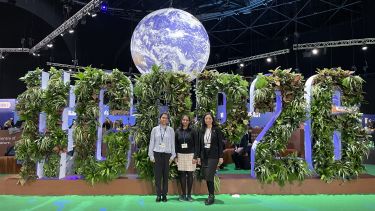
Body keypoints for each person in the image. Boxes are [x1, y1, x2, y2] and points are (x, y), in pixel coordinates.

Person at [197, 112, 224, 205]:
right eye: (206, 119)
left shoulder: (217, 130)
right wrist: (198, 157)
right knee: (206, 176)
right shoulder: (201, 130)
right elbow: (199, 145)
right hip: (204, 155)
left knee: (209, 175)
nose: (208, 120)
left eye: (209, 118)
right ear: (204, 120)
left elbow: (221, 144)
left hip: (214, 156)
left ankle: (211, 196)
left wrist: (221, 156)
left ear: (212, 119)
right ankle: (210, 195)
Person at [148, 112, 176, 202]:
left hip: (167, 155)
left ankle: (164, 195)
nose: (164, 119)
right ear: (160, 119)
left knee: (165, 176)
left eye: (166, 118)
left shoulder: (171, 130)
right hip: (157, 155)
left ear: (168, 120)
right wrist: (151, 156)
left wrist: (172, 156)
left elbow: (172, 144)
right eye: (163, 118)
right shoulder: (155, 129)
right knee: (158, 176)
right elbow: (151, 143)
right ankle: (158, 195)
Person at [175, 114, 198, 202]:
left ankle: (189, 195)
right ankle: (183, 194)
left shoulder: (193, 131)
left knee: (190, 175)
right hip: (180, 155)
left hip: (191, 155)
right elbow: (176, 145)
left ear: (189, 121)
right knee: (182, 175)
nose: (185, 121)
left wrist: (195, 156)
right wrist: (176, 156)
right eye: (183, 120)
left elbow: (196, 144)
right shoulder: (177, 131)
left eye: (187, 120)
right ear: (181, 120)